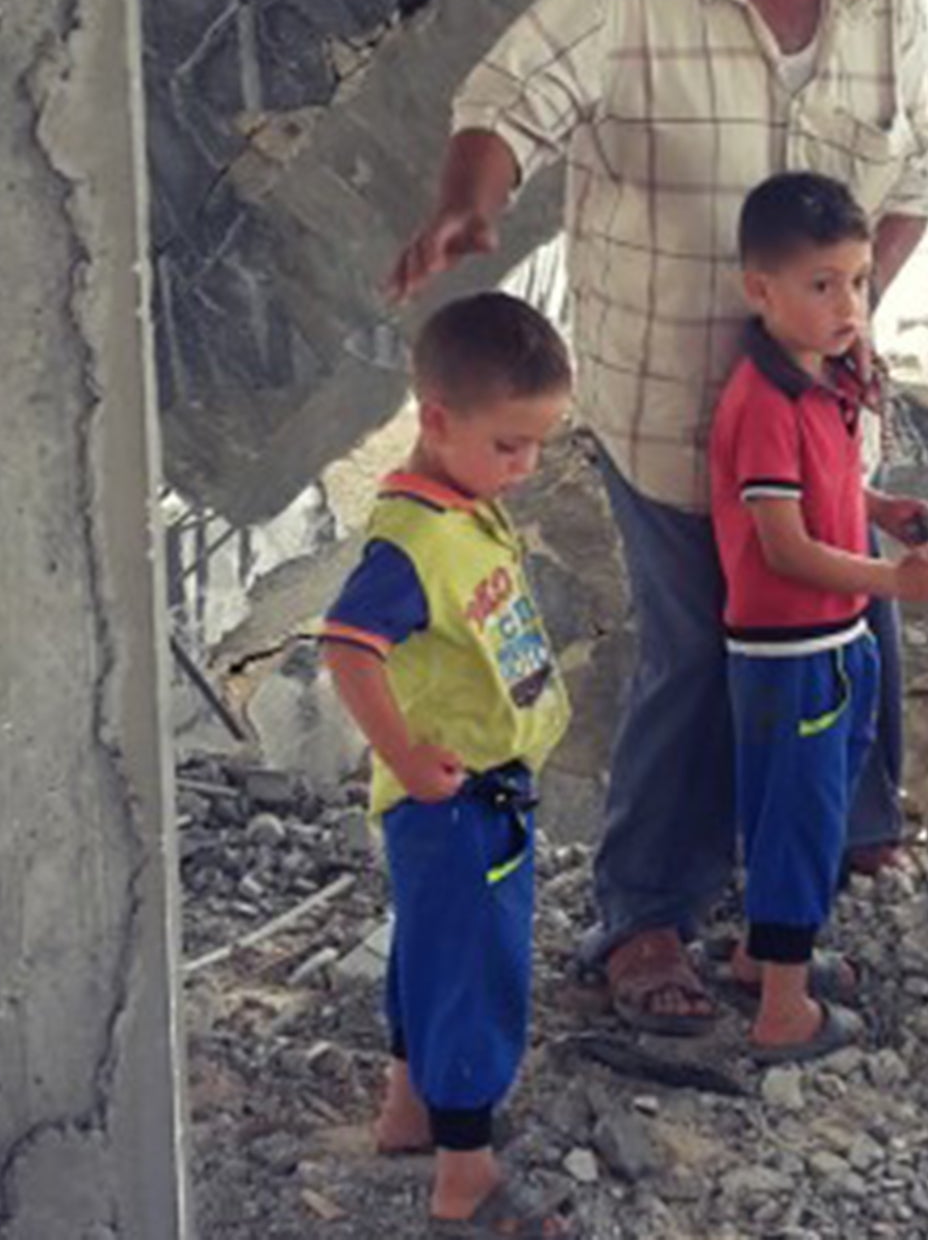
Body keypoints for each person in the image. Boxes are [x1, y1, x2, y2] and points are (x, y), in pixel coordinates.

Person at [388, 0, 928, 1035]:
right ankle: (644, 913)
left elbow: (916, 182)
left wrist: (857, 321)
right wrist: (472, 205)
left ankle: (831, 857)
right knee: (702, 656)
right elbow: (508, 98)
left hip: (817, 418)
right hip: (669, 407)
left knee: (846, 641)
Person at [319, 292, 579, 1239]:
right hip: (460, 795)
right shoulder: (415, 540)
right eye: (510, 445)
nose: (527, 466)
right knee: (478, 967)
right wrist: (401, 751)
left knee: (428, 950)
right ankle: (465, 1176)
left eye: (538, 443)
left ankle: (408, 1110)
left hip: (467, 789)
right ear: (437, 420)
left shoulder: (457, 503)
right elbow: (348, 646)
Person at [711, 172, 928, 1060]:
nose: (846, 302)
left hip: (835, 641)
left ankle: (762, 957)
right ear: (761, 290)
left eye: (856, 280)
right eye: (821, 285)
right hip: (790, 651)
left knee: (813, 805)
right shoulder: (764, 404)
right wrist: (895, 583)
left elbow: (829, 496)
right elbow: (781, 546)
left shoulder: (821, 383)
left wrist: (881, 509)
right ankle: (783, 1010)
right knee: (797, 818)